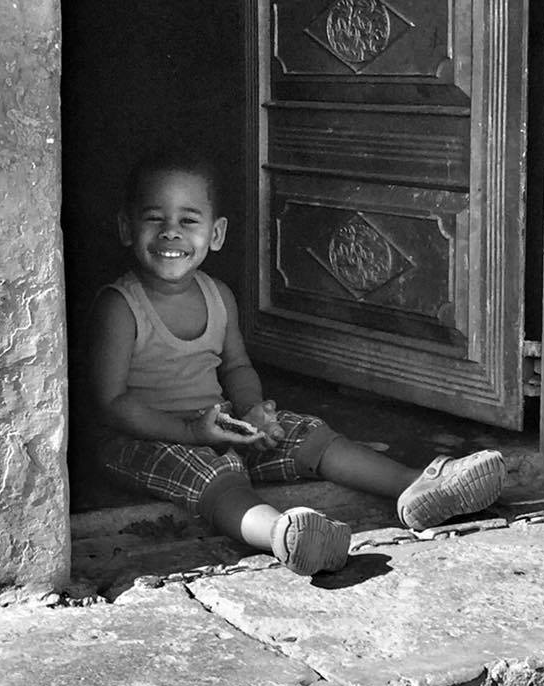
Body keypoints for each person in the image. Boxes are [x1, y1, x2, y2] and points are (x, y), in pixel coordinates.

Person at [87, 151, 506, 576]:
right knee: (217, 473)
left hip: (215, 423)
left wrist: (253, 411)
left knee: (305, 435)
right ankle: (284, 537)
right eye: (154, 219)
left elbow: (236, 367)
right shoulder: (121, 306)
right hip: (142, 439)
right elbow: (110, 402)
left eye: (188, 221)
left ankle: (415, 487)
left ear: (216, 234)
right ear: (127, 227)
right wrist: (189, 432)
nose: (171, 233)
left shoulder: (219, 296)